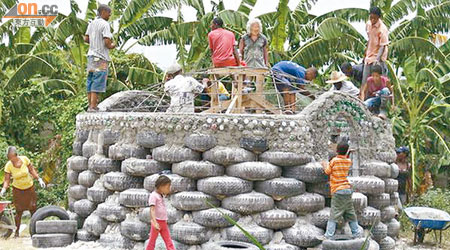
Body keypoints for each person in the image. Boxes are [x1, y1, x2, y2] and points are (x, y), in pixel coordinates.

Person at [319, 141, 361, 240]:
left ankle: (328, 235)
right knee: (350, 213)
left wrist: (324, 164)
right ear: (346, 151)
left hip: (338, 190)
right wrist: (348, 153)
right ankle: (356, 233)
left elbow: (328, 171)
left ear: (336, 150)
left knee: (334, 213)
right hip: (347, 190)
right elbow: (345, 159)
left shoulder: (334, 160)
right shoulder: (348, 162)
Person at [0, 146, 46, 237]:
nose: (10, 160)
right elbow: (7, 180)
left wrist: (39, 179)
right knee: (19, 211)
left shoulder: (25, 159)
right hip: (18, 190)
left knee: (33, 208)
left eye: (11, 157)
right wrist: (4, 189)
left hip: (29, 188)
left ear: (16, 155)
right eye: (9, 158)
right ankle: (16, 233)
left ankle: (35, 231)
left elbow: (32, 170)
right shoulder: (8, 165)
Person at [84, 4, 115, 112]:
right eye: (109, 12)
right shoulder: (105, 24)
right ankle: (93, 106)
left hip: (91, 56)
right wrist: (112, 46)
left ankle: (90, 106)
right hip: (100, 57)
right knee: (97, 81)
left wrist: (94, 42)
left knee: (91, 81)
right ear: (103, 12)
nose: (110, 15)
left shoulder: (92, 23)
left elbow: (86, 39)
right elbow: (107, 42)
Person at [362, 6, 389, 92]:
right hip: (369, 56)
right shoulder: (368, 24)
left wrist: (377, 60)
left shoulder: (382, 29)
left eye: (374, 18)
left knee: (381, 82)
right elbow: (369, 39)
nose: (372, 20)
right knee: (365, 80)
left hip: (378, 56)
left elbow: (383, 46)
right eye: (371, 17)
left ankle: (384, 100)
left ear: (378, 17)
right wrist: (366, 53)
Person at [146, 175, 174, 250]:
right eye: (168, 187)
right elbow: (152, 210)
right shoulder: (153, 195)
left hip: (163, 223)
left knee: (168, 241)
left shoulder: (160, 196)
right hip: (157, 223)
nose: (169, 190)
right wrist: (154, 222)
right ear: (161, 186)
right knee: (152, 242)